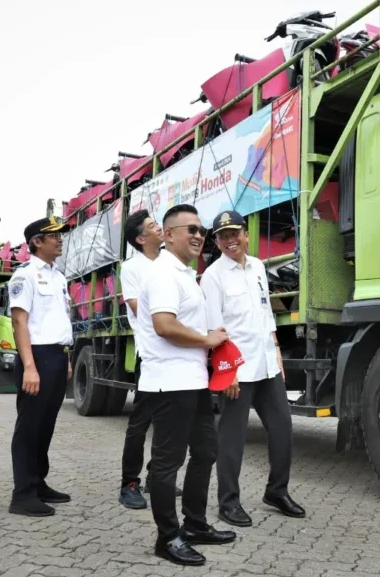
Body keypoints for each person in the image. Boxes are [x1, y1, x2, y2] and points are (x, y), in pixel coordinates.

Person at [139, 204, 235, 566]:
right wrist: (208, 340)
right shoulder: (164, 273)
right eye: (190, 229)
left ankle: (194, 524)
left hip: (192, 381)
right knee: (167, 464)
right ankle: (168, 537)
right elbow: (164, 325)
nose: (198, 235)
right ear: (168, 234)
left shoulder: (183, 273)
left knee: (206, 451)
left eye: (200, 230)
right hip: (170, 382)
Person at [201, 210, 306, 528]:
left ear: (245, 234)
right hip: (238, 371)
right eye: (222, 236)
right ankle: (228, 502)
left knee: (282, 427)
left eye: (234, 233)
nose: (229, 240)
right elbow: (214, 328)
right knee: (232, 438)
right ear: (217, 242)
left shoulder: (259, 267)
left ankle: (277, 491)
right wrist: (227, 371)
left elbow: (266, 314)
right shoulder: (213, 276)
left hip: (266, 364)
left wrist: (276, 351)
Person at [7, 216, 74, 517]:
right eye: (53, 236)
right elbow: (20, 321)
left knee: (46, 424)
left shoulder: (58, 276)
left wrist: (68, 359)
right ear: (36, 242)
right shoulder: (25, 275)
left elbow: (60, 321)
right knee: (30, 426)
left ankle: (38, 482)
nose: (60, 239)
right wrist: (29, 366)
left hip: (57, 356)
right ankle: (22, 494)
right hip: (37, 356)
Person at [116, 209, 182, 509]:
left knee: (169, 422)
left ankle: (158, 477)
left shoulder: (173, 262)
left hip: (178, 354)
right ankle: (129, 483)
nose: (160, 228)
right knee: (140, 423)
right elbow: (139, 308)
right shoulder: (132, 268)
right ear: (141, 238)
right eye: (154, 226)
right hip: (152, 354)